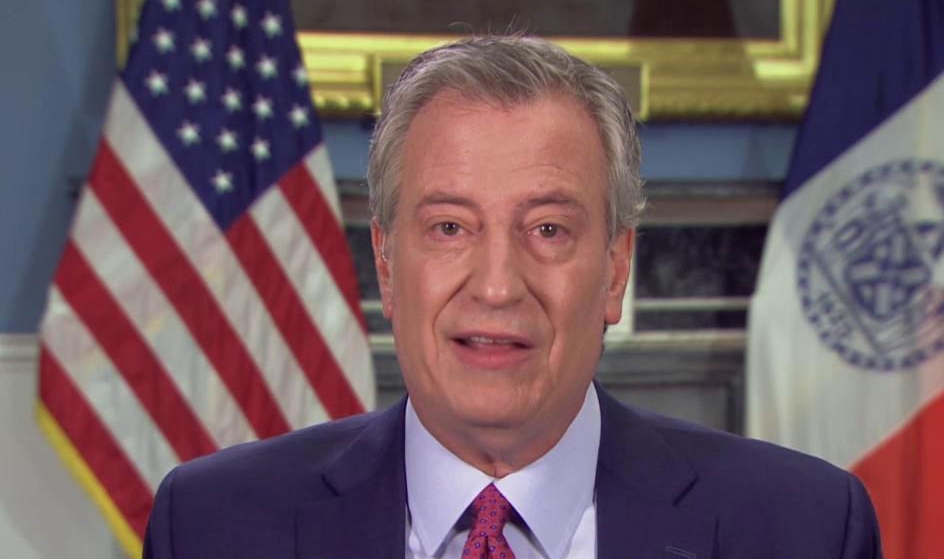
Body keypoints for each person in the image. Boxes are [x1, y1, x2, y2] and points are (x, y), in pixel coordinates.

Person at [143, 35, 882, 559]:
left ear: (615, 268)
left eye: (549, 229)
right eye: (450, 227)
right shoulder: (212, 528)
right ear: (387, 265)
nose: (497, 285)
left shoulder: (804, 530)